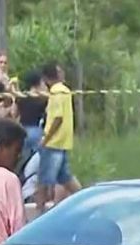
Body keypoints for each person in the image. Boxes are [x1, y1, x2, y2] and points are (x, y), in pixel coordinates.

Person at [37, 62, 81, 214]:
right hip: (63, 141)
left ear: (46, 78)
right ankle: (84, 199)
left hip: (53, 143)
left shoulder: (56, 92)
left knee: (43, 180)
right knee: (66, 178)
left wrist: (45, 139)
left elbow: (57, 118)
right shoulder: (65, 90)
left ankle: (39, 212)